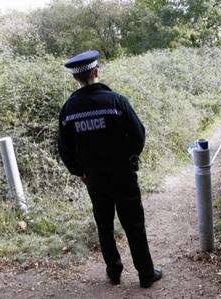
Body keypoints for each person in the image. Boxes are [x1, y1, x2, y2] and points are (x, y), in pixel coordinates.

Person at [58, 50, 162, 288]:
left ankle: (114, 273)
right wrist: (129, 158)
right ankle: (146, 274)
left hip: (93, 178)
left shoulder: (68, 110)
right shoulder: (116, 101)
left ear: (76, 78)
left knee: (104, 225)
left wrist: (79, 172)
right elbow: (138, 135)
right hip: (123, 174)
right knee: (134, 224)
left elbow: (64, 148)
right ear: (96, 71)